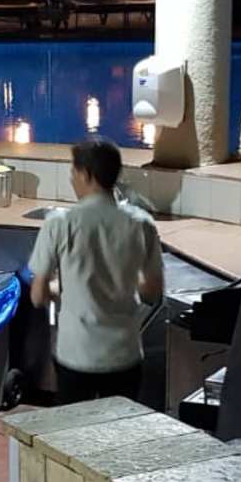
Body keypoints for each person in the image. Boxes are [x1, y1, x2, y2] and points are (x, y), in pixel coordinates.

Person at [28, 139, 164, 404]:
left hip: (76, 355)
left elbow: (37, 296)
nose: (71, 179)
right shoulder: (141, 223)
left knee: (75, 428)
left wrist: (64, 288)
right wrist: (121, 283)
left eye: (73, 172)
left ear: (86, 175)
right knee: (118, 428)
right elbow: (152, 291)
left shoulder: (59, 223)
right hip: (124, 354)